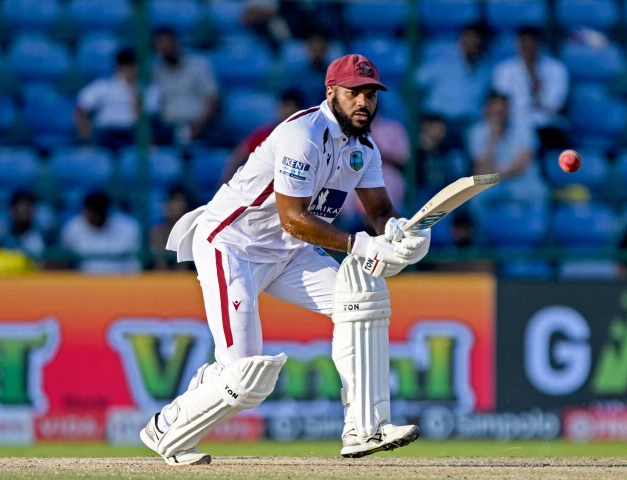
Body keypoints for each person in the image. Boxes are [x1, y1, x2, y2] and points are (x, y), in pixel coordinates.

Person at [140, 54, 430, 465]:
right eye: (353, 93)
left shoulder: (363, 149)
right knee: (246, 379)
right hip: (232, 246)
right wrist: (360, 244)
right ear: (331, 92)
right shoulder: (303, 134)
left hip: (289, 254)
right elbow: (293, 219)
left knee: (362, 300)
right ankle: (166, 427)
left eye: (370, 94)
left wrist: (400, 234)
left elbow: (381, 212)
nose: (363, 102)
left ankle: (365, 428)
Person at [467, 92, 548, 212]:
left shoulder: (524, 129)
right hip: (492, 184)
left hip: (523, 181)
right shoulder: (475, 133)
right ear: (486, 110)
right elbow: (481, 168)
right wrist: (492, 139)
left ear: (509, 110)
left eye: (502, 112)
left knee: (540, 192)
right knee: (475, 196)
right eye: (495, 112)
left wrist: (492, 173)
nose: (499, 116)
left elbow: (520, 167)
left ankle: (537, 230)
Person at [492, 27, 569, 149]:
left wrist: (538, 88)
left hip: (546, 126)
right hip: (514, 124)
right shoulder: (503, 70)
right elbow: (502, 105)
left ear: (539, 45)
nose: (528, 50)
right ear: (518, 45)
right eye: (524, 45)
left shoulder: (557, 69)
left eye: (532, 45)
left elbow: (555, 106)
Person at [74, 48, 160, 151]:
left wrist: (134, 92)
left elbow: (147, 119)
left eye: (133, 66)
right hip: (107, 132)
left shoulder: (150, 89)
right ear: (118, 67)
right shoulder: (104, 86)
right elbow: (81, 107)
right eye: (125, 66)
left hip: (132, 132)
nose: (130, 70)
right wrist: (86, 133)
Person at [418, 23, 492, 140]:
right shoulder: (441, 61)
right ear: (461, 40)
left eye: (476, 40)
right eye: (469, 38)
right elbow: (414, 84)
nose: (473, 43)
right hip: (440, 122)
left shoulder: (486, 70)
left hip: (469, 126)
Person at [220, 89, 305, 184]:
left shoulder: (307, 139)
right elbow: (237, 157)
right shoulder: (265, 134)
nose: (288, 112)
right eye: (285, 106)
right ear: (279, 108)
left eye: (293, 108)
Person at [153, 28, 221, 146]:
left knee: (221, 137)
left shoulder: (199, 64)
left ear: (177, 44)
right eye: (163, 48)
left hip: (200, 123)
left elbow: (213, 99)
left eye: (170, 46)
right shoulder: (154, 71)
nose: (167, 51)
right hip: (168, 127)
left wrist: (198, 126)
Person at [60, 191, 141, 274]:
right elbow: (65, 261)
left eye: (97, 213)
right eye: (90, 212)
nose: (93, 217)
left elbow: (135, 263)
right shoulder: (72, 228)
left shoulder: (128, 226)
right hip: (83, 283)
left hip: (120, 282)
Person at [415, 115, 469, 201]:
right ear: (425, 128)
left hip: (445, 192)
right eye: (436, 128)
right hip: (422, 193)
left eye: (442, 129)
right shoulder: (416, 152)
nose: (440, 132)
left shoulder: (450, 152)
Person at [150, 186, 193, 271]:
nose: (176, 207)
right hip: (162, 280)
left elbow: (183, 267)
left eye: (180, 202)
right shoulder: (157, 231)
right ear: (167, 205)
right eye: (173, 202)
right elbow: (160, 266)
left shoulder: (191, 232)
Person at [0, 191, 45, 261]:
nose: (23, 211)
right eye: (19, 206)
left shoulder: (42, 236)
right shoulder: (2, 235)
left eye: (27, 207)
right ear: (12, 210)